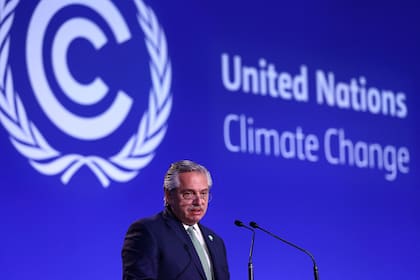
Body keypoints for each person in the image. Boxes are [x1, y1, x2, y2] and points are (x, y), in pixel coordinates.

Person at [122, 160, 230, 280]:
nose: (199, 202)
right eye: (189, 194)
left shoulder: (216, 242)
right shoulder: (148, 232)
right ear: (168, 195)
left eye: (203, 193)